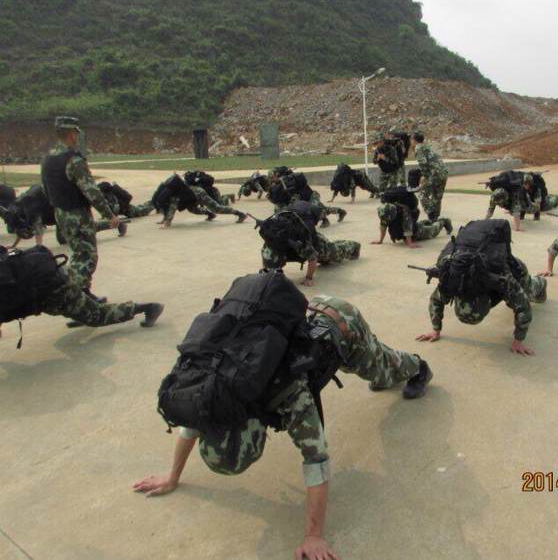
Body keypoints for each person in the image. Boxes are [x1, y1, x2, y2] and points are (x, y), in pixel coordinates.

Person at [133, 270, 433, 560]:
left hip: (342, 324)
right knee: (377, 373)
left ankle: (419, 368)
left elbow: (316, 458)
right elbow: (195, 423)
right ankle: (387, 374)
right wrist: (172, 476)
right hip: (303, 317)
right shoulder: (219, 395)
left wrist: (313, 536)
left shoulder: (286, 393)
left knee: (383, 367)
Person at [414, 219, 547, 355]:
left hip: (513, 270)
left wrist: (518, 340)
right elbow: (436, 300)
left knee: (530, 291)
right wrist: (435, 330)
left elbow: (523, 306)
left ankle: (541, 282)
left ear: (488, 303)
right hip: (478, 255)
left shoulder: (501, 280)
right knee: (513, 298)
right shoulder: (455, 282)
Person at [0, 245, 163, 339]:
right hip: (46, 275)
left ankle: (147, 308)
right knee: (78, 307)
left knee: (97, 316)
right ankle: (83, 305)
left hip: (53, 288)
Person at [40, 117, 120, 300]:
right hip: (77, 215)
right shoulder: (73, 159)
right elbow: (91, 191)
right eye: (76, 132)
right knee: (87, 256)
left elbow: (44, 188)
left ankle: (83, 293)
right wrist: (109, 215)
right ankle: (76, 298)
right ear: (71, 134)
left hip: (61, 213)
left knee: (78, 254)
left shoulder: (48, 159)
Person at [258, 200, 360, 286]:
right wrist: (266, 271)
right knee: (324, 262)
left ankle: (353, 246)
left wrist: (309, 278)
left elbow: (313, 258)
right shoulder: (271, 238)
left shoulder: (299, 241)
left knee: (333, 253)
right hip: (298, 238)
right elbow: (268, 258)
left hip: (312, 242)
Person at [371, 190, 452, 248]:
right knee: (421, 224)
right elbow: (383, 226)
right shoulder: (384, 212)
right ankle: (431, 221)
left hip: (416, 231)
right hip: (412, 225)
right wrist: (380, 240)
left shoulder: (403, 210)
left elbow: (407, 226)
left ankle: (443, 221)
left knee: (432, 231)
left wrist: (409, 242)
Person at [269, 170, 346, 228]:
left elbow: (295, 199)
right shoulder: (276, 186)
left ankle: (335, 214)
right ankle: (335, 213)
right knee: (317, 209)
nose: (272, 180)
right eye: (270, 178)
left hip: (311, 196)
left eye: (272, 177)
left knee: (316, 209)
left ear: (276, 175)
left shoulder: (287, 181)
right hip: (302, 198)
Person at [412, 132, 448, 221]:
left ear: (414, 140)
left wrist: (424, 176)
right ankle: (436, 218)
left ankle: (431, 213)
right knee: (437, 196)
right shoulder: (426, 147)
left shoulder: (418, 148)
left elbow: (423, 162)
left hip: (434, 174)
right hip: (443, 173)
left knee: (422, 194)